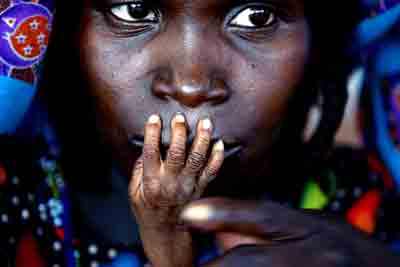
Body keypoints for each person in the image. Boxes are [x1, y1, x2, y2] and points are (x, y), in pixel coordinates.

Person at [1, 0, 400, 266]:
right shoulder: (13, 198)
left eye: (256, 17)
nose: (190, 84)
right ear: (61, 35)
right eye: (133, 9)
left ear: (321, 47)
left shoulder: (365, 207)